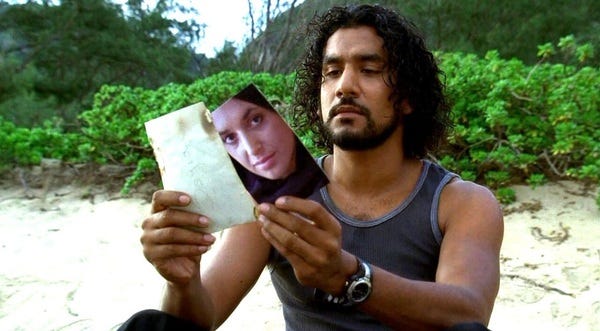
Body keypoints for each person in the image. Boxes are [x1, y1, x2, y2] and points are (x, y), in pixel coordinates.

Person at [121, 4, 503, 331]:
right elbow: (199, 319)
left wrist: (348, 276)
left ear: (406, 98)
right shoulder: (275, 195)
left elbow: (468, 313)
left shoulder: (461, 203)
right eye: (332, 71)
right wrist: (182, 282)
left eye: (369, 70)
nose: (344, 86)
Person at [211, 84, 328, 203]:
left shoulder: (332, 169)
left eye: (256, 120)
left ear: (279, 111)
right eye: (230, 138)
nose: (252, 149)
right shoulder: (240, 206)